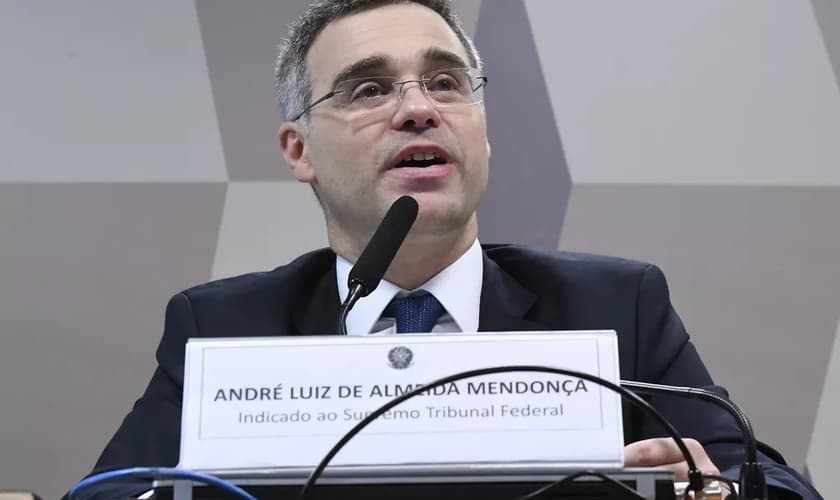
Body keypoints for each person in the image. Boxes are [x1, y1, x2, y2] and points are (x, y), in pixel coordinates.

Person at [67, 1, 821, 498]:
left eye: (446, 83)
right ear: (298, 149)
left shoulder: (613, 306)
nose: (418, 109)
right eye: (367, 90)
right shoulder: (223, 324)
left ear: (483, 131)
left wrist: (717, 491)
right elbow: (108, 494)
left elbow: (775, 484)